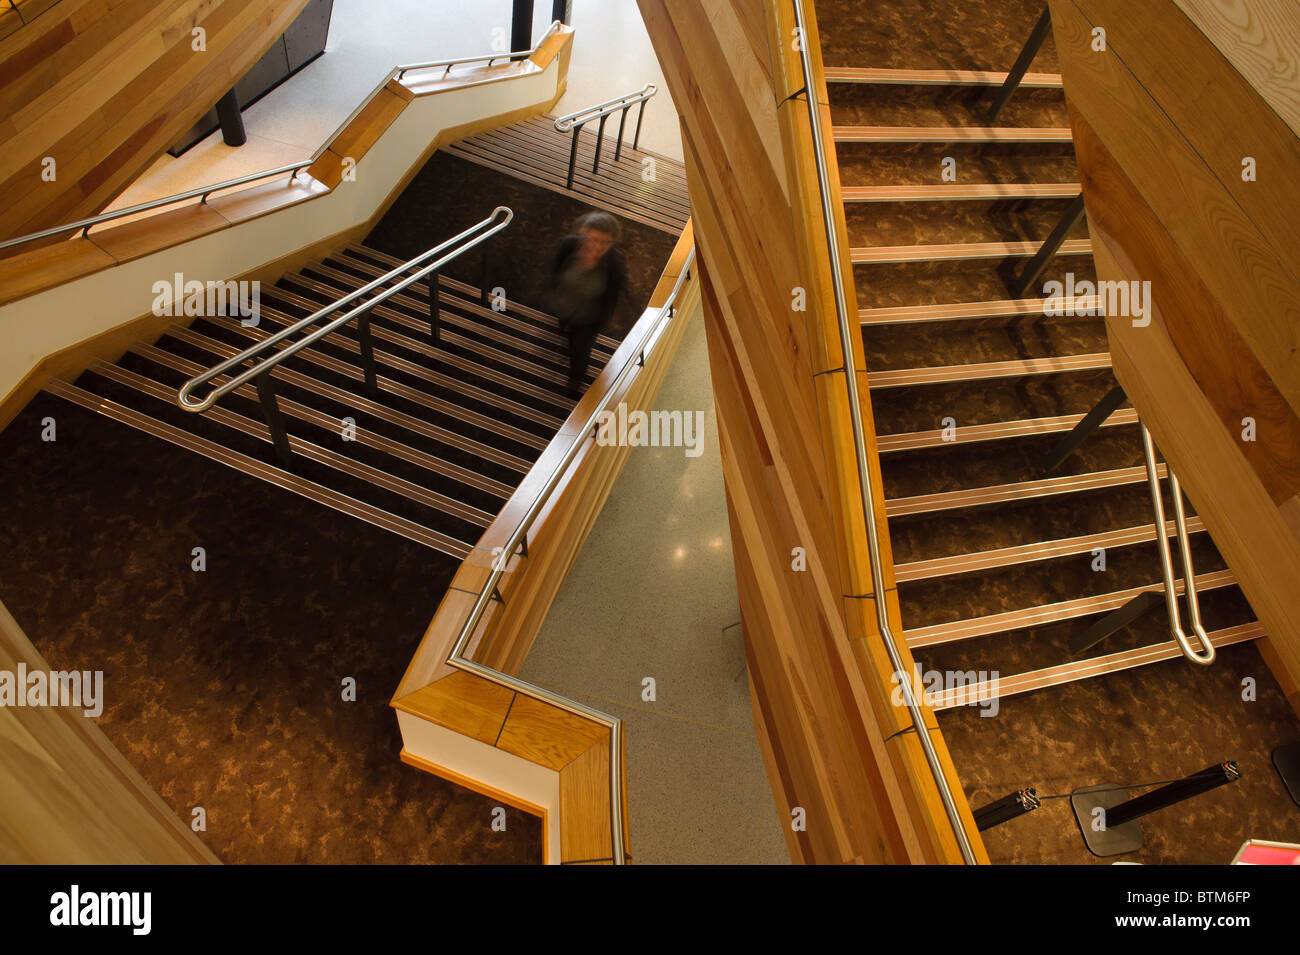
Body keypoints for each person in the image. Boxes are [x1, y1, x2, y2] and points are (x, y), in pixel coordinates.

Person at [549, 211, 629, 397]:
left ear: (612, 242)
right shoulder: (568, 246)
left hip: (590, 319)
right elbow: (554, 272)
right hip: (564, 307)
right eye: (592, 239)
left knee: (581, 351)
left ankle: (575, 380)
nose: (597, 246)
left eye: (604, 242)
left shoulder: (614, 261)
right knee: (565, 334)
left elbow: (616, 292)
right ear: (582, 234)